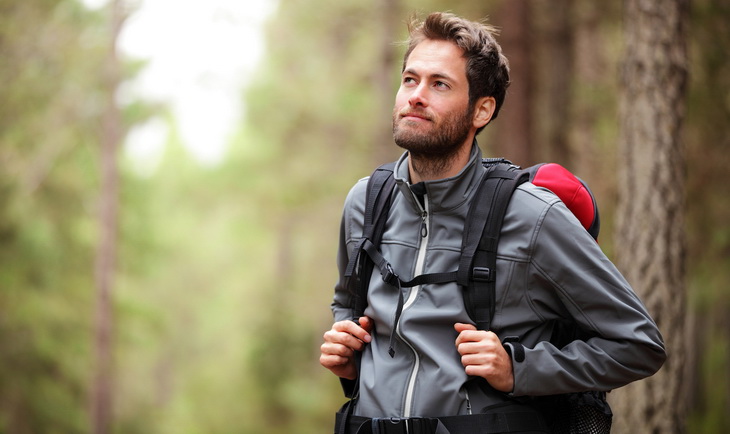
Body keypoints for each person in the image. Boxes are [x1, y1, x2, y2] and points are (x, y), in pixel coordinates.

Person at [319, 11, 666, 434]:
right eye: (410, 79)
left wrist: (519, 368)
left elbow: (638, 345)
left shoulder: (532, 216)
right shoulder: (366, 203)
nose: (416, 96)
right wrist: (347, 351)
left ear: (481, 110)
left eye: (439, 84)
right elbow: (346, 301)